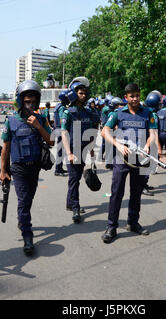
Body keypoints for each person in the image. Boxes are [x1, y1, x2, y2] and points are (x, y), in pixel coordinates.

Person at [0, 80, 53, 255]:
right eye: (26, 101)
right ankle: (27, 236)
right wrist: (3, 170)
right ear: (20, 101)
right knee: (23, 201)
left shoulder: (41, 119)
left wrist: (38, 126)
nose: (30, 104)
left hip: (35, 167)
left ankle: (23, 221)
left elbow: (51, 140)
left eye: (33, 101)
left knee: (28, 200)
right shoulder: (11, 121)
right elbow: (5, 148)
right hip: (19, 168)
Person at [101, 83, 159, 243]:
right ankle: (111, 227)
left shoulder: (148, 113)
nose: (135, 99)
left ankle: (133, 223)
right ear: (126, 97)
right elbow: (104, 131)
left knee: (136, 192)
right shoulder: (117, 113)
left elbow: (153, 133)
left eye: (137, 95)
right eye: (132, 96)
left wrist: (148, 145)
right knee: (116, 193)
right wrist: (118, 145)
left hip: (140, 160)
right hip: (121, 160)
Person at [60, 77, 100, 223]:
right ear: (73, 94)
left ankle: (69, 203)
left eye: (84, 93)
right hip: (72, 150)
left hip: (83, 150)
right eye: (80, 93)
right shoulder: (68, 113)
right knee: (74, 178)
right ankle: (75, 208)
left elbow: (92, 130)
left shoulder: (88, 112)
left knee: (74, 179)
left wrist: (91, 147)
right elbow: (64, 133)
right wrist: (69, 153)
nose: (83, 95)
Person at [53, 90, 69, 177]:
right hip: (60, 131)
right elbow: (62, 119)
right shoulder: (62, 108)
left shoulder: (57, 106)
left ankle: (59, 168)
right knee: (60, 151)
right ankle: (58, 170)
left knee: (60, 151)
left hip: (57, 130)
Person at [100, 95, 115, 169]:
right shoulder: (107, 108)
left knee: (107, 145)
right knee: (108, 145)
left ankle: (108, 161)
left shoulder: (105, 108)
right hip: (107, 128)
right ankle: (108, 162)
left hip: (106, 127)